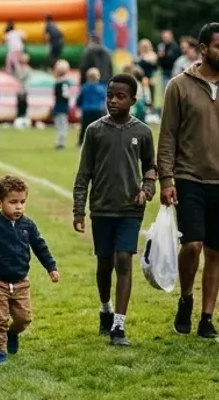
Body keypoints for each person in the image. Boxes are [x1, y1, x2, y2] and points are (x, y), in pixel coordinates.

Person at [158, 22, 219, 340]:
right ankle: (186, 298)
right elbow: (167, 136)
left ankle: (207, 318)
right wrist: (166, 179)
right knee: (192, 245)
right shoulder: (178, 87)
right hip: (189, 177)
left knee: (215, 252)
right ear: (203, 49)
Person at [72, 74, 156, 348]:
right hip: (102, 208)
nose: (113, 101)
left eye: (120, 97)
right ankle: (105, 308)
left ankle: (119, 325)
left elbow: (150, 167)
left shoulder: (143, 132)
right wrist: (79, 210)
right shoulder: (94, 131)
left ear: (133, 100)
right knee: (104, 263)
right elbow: (84, 173)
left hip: (131, 209)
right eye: (110, 95)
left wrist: (147, 190)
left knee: (123, 259)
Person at [0, 176, 59, 365]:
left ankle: (12, 333)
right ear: (0, 203)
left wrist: (51, 268)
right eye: (13, 202)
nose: (19, 207)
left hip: (21, 283)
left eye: (22, 202)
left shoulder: (28, 225)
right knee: (0, 318)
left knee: (24, 319)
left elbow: (40, 247)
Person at [76, 68, 107, 146]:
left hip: (87, 110)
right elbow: (104, 99)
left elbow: (80, 98)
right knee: (99, 127)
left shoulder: (84, 87)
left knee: (85, 126)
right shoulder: (102, 88)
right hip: (99, 110)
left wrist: (78, 106)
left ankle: (82, 141)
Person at [50, 60, 73, 150]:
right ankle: (60, 142)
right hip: (62, 106)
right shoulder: (65, 83)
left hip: (58, 106)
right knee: (62, 125)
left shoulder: (59, 83)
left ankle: (60, 142)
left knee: (60, 125)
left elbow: (61, 95)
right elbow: (66, 95)